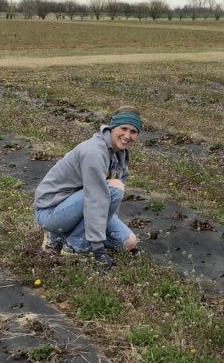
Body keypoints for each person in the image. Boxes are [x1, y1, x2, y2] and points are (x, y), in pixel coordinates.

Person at [33, 106, 142, 270]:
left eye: (133, 131)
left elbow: (106, 203)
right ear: (113, 127)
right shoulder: (94, 152)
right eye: (123, 129)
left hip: (77, 205)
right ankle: (73, 246)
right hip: (51, 211)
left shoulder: (120, 154)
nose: (127, 135)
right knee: (114, 188)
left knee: (128, 242)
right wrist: (98, 249)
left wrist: (104, 227)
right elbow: (96, 199)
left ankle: (62, 236)